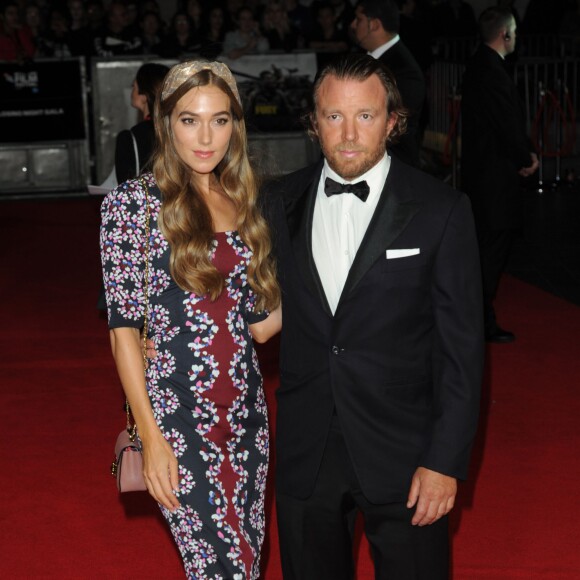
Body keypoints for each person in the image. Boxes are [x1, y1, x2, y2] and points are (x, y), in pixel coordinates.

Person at [265, 53, 483, 579]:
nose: (348, 133)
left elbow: (462, 352)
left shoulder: (441, 209)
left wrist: (445, 462)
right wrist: (167, 335)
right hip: (307, 451)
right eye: (333, 116)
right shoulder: (276, 201)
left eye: (365, 116)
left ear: (392, 121)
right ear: (313, 122)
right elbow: (238, 298)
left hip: (406, 457)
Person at [100, 60, 281, 579]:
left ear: (236, 125)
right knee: (219, 568)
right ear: (165, 122)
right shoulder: (132, 206)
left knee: (246, 565)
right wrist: (153, 441)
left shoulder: (242, 200)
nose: (206, 136)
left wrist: (339, 285)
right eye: (189, 119)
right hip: (177, 418)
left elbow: (259, 324)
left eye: (220, 120)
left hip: (246, 418)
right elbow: (123, 333)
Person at [461, 7, 538, 343]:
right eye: (515, 32)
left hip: (483, 177)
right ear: (504, 34)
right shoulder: (491, 70)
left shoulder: (480, 64)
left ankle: (479, 319)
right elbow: (506, 124)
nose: (517, 39)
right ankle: (479, 323)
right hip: (493, 180)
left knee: (484, 254)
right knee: (489, 256)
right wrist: (525, 157)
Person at [350, 0, 426, 167]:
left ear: (375, 24)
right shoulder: (366, 58)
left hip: (392, 169)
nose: (353, 25)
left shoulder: (404, 72)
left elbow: (393, 130)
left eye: (359, 19)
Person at [114, 62, 169, 183]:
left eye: (134, 86)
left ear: (144, 96)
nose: (131, 91)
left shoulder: (129, 138)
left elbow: (125, 187)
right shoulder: (177, 129)